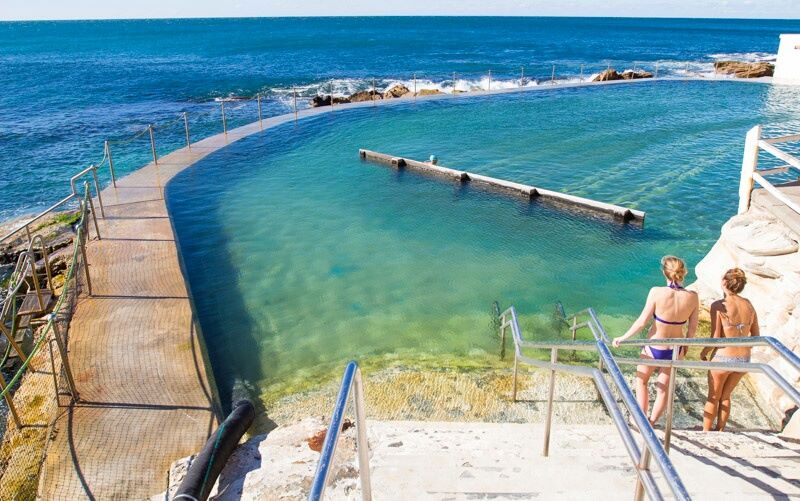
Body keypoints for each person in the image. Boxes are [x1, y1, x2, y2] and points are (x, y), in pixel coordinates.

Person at [612, 256, 699, 426]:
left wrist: (623, 338)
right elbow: (692, 329)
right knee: (663, 389)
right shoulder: (693, 297)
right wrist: (686, 346)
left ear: (664, 272)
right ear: (683, 272)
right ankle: (652, 422)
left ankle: (641, 419)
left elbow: (642, 322)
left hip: (654, 346)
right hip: (676, 348)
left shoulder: (656, 292)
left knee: (642, 380)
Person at [700, 268, 759, 432]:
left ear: (725, 283)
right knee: (726, 397)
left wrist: (704, 352)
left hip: (723, 357)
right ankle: (720, 431)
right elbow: (755, 335)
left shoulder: (719, 306)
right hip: (743, 359)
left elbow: (716, 337)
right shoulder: (748, 304)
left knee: (713, 397)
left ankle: (705, 433)